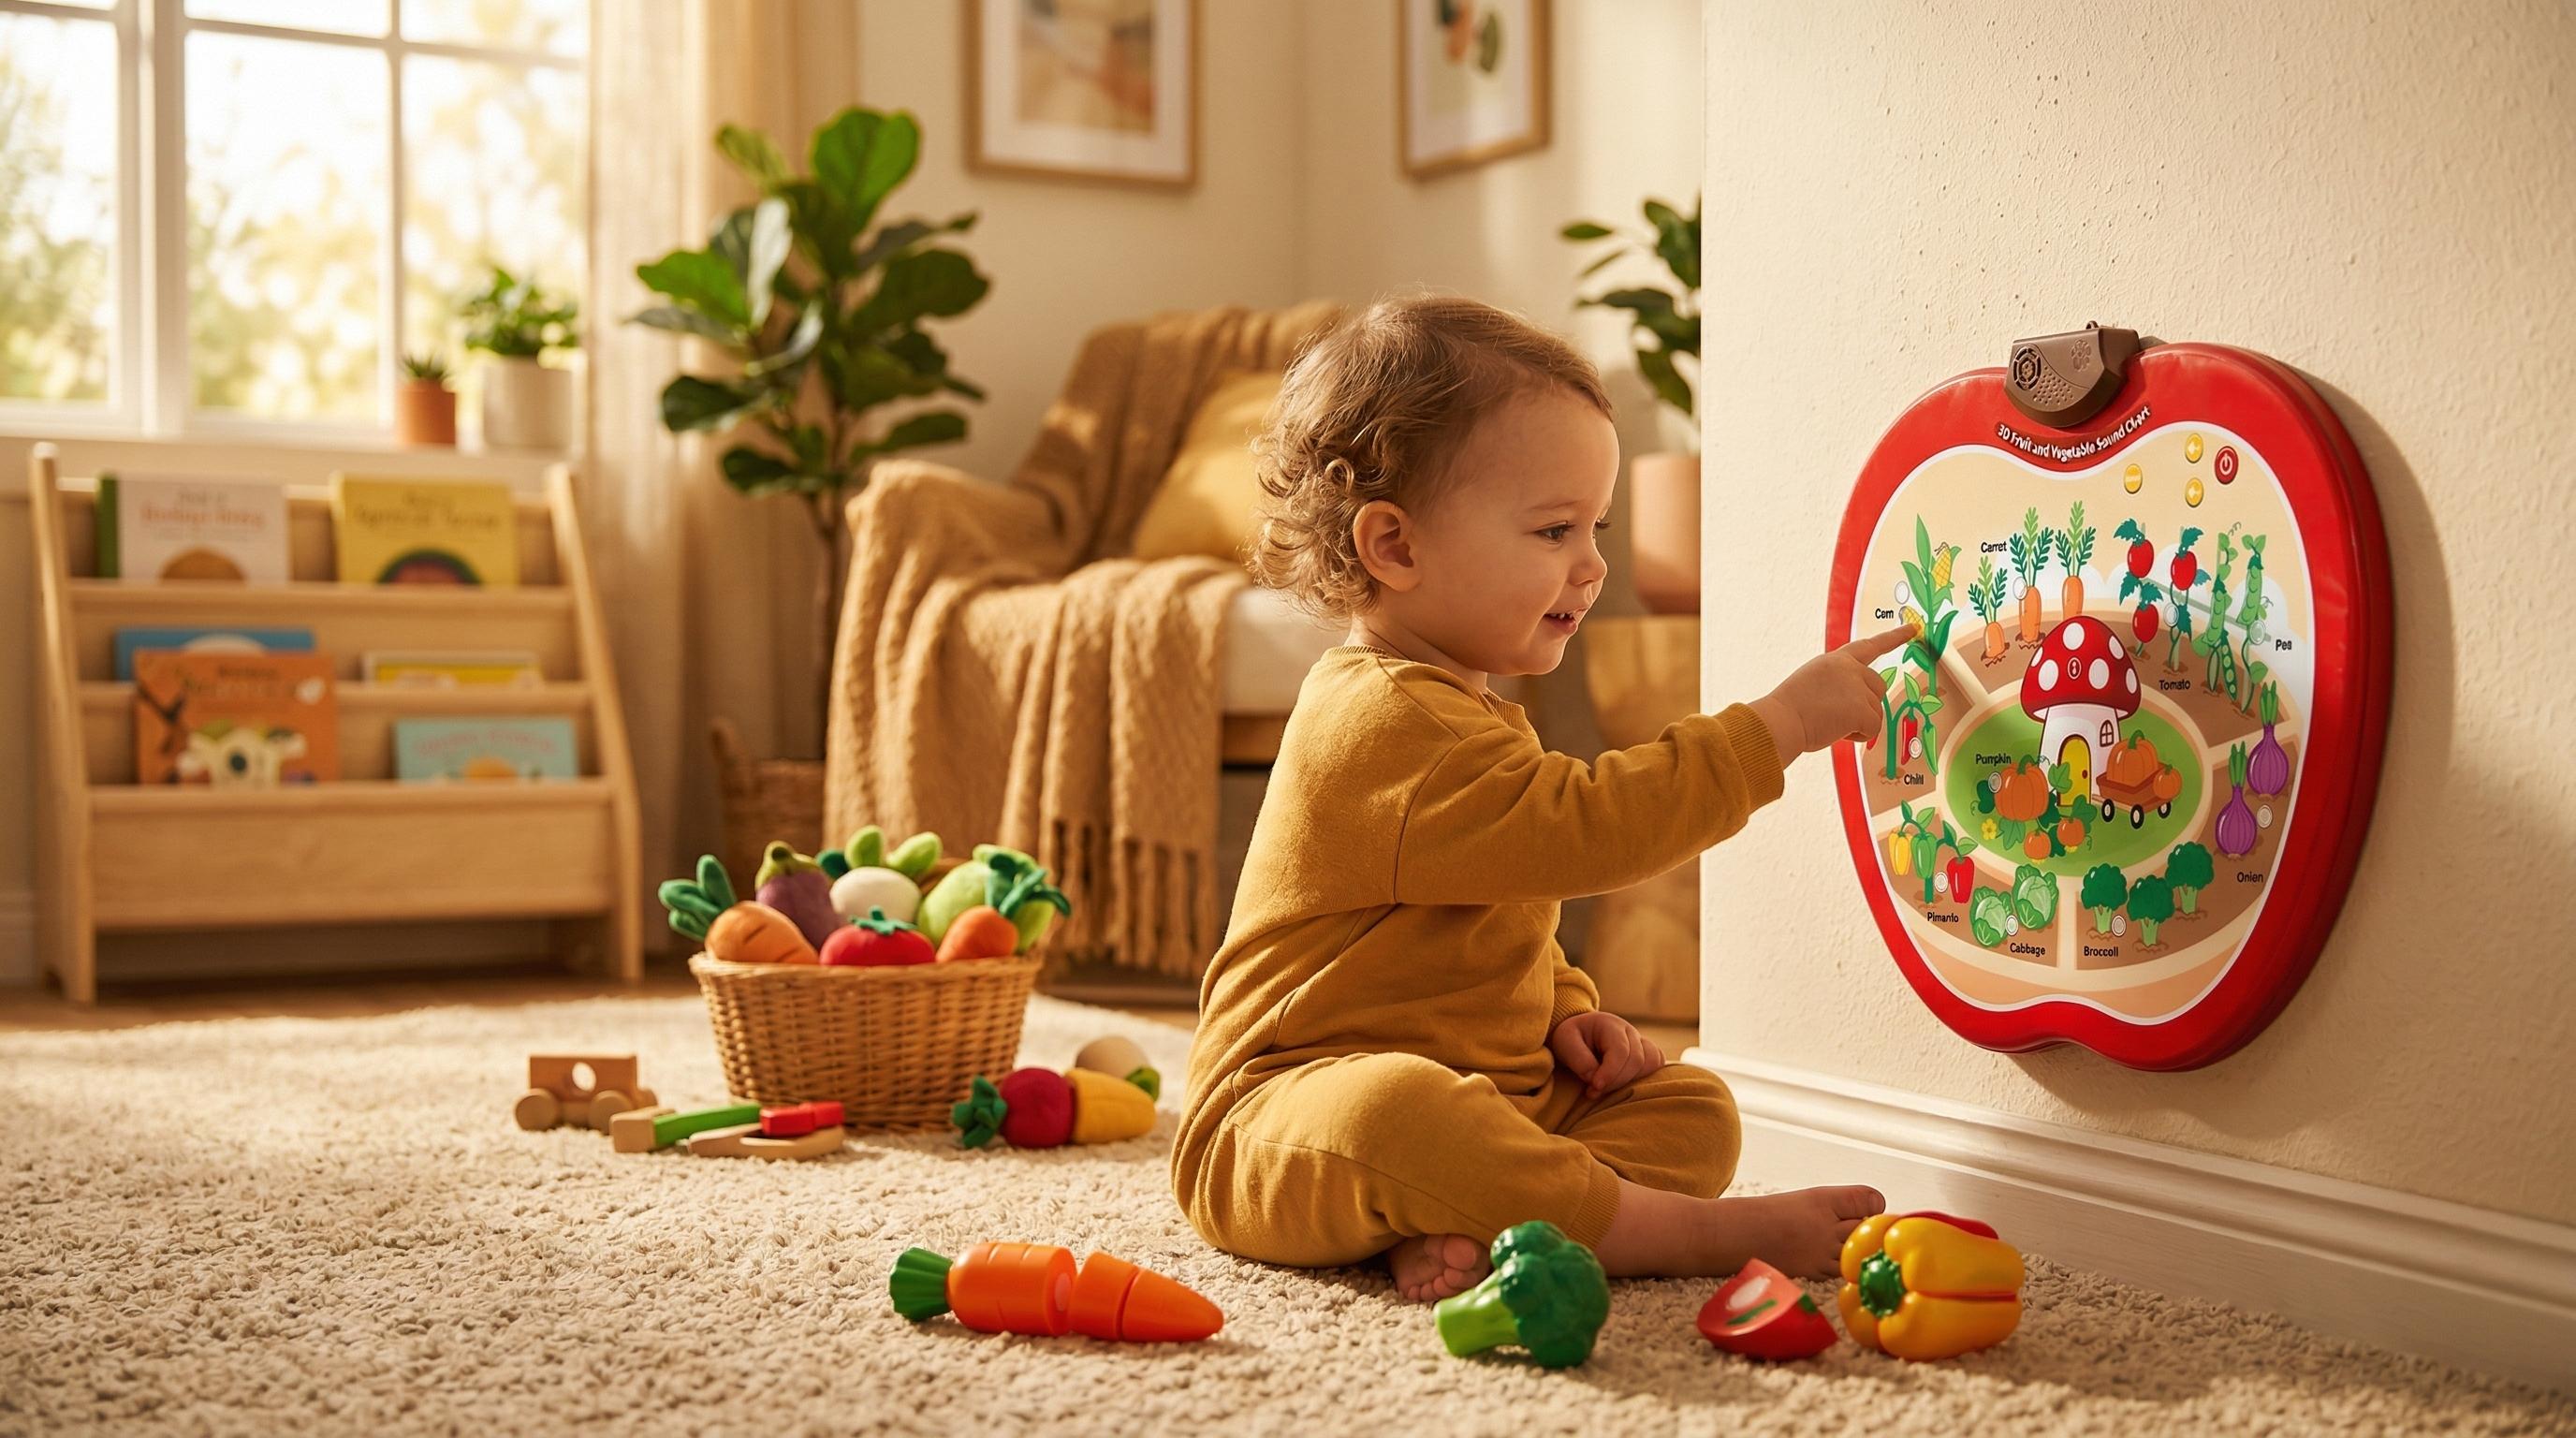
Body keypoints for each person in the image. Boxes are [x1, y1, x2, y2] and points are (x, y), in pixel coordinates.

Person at [1170, 294, 1907, 1300]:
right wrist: (1775, 725)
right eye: (1554, 529)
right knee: (1399, 1114)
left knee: (1694, 1106)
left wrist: (1566, 1009)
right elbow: (1585, 834)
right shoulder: (1377, 720)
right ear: (1394, 547)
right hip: (1277, 1122)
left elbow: (1488, 915)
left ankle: (1488, 1216)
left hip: (1493, 1104)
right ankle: (1671, 1235)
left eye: (1594, 526)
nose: (1593, 565)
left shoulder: (1462, 712)